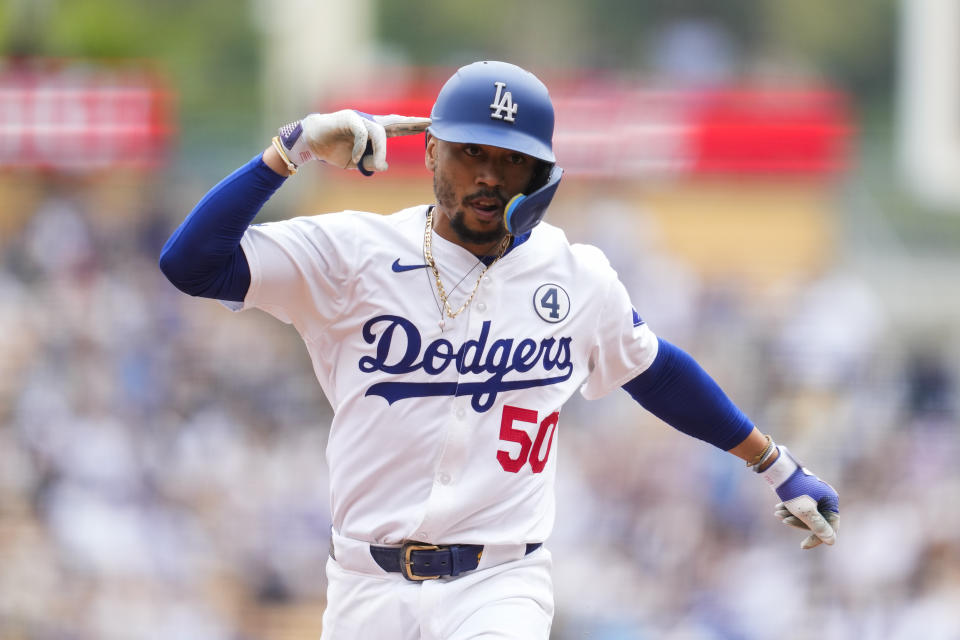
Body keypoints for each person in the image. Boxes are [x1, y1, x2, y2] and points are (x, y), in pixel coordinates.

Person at [159, 60, 839, 639]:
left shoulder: (577, 275)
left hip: (500, 581)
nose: (489, 175)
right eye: (471, 152)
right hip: (365, 586)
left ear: (541, 173)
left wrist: (776, 465)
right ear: (429, 153)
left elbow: (654, 370)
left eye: (511, 158)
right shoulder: (352, 252)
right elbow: (191, 264)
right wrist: (292, 150)